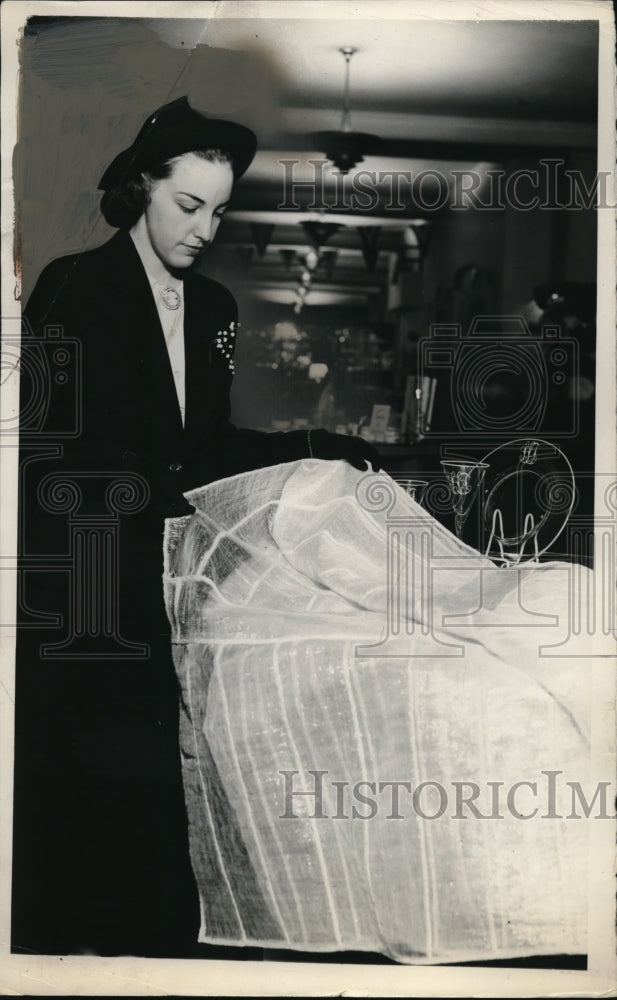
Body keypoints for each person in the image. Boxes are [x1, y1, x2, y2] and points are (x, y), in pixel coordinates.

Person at [13, 97, 380, 958]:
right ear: (141, 190)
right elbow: (52, 454)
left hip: (175, 583)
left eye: (219, 210)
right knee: (86, 799)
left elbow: (205, 444)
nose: (205, 228)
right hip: (90, 580)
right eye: (188, 206)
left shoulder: (214, 309)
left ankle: (158, 949)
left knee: (161, 794)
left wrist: (320, 447)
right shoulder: (75, 285)